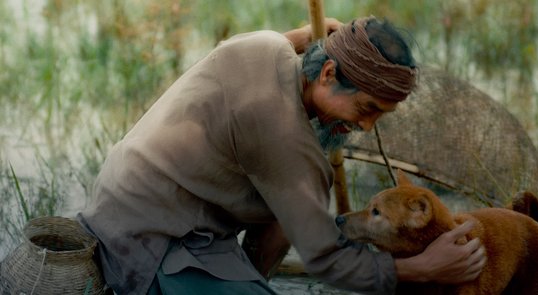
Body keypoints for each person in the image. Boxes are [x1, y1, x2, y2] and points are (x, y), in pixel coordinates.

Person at [78, 16, 486, 295]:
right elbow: (329, 260)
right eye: (365, 109)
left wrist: (310, 39)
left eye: (381, 114)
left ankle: (244, 278)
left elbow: (288, 43)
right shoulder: (291, 148)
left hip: (119, 196)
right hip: (148, 241)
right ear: (327, 74)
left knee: (280, 219)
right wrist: (424, 268)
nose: (366, 127)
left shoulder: (265, 44)